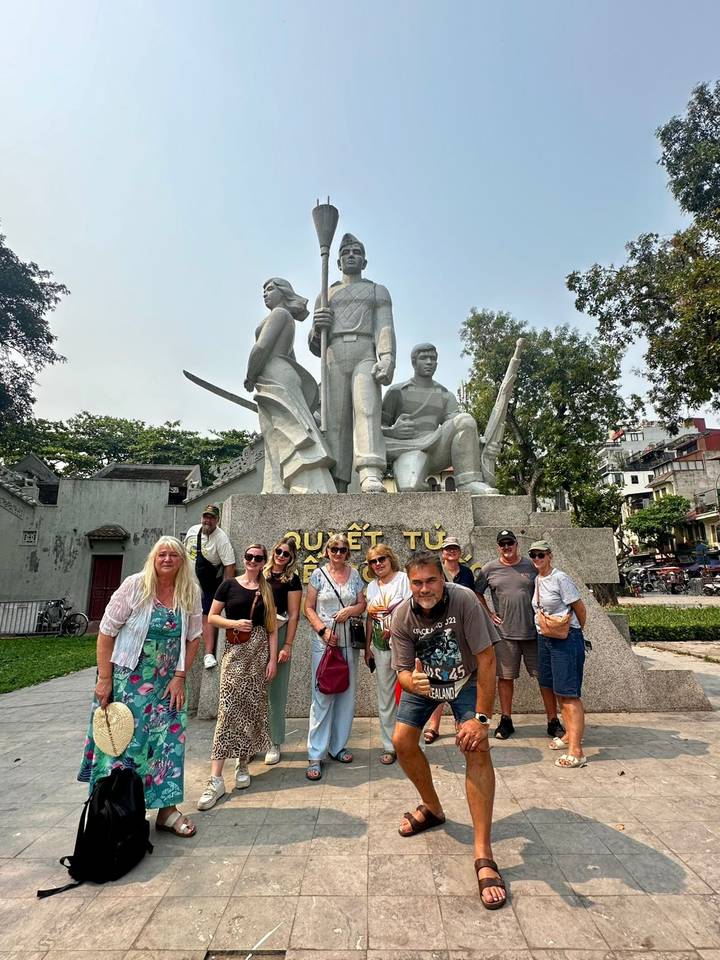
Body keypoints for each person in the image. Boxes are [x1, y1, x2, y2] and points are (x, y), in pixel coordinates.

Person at [390, 550, 506, 909]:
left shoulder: (465, 599)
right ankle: (433, 807)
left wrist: (482, 720)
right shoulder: (401, 616)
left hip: (468, 680)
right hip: (428, 684)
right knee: (401, 741)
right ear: (409, 584)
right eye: (417, 582)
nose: (424, 588)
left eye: (431, 580)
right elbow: (402, 672)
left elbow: (488, 660)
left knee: (476, 747)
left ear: (443, 578)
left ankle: (483, 852)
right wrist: (413, 682)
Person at [78, 536, 202, 838]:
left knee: (168, 744)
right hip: (128, 680)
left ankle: (167, 810)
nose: (168, 559)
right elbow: (106, 633)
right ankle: (118, 807)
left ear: (182, 561)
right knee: (126, 745)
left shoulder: (190, 591)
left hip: (168, 683)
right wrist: (105, 679)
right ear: (153, 558)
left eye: (174, 555)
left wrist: (180, 675)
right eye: (162, 554)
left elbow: (194, 637)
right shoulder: (135, 586)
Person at [309, 233, 396, 493]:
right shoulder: (326, 293)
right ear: (337, 262)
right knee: (335, 420)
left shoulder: (376, 290)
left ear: (364, 261)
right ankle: (337, 478)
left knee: (367, 410)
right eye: (346, 252)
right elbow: (315, 345)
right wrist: (317, 326)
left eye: (356, 252)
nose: (351, 255)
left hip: (364, 352)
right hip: (334, 355)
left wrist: (387, 357)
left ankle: (370, 471)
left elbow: (385, 327)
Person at [197, 543, 278, 809]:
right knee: (228, 710)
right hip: (235, 653)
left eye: (258, 558)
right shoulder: (229, 585)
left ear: (264, 561)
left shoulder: (266, 590)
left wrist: (272, 660)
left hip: (258, 655)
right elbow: (212, 617)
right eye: (249, 556)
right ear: (243, 559)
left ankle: (242, 763)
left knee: (251, 710)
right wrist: (234, 623)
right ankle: (215, 778)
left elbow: (271, 629)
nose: (253, 561)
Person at [245, 278, 336, 494]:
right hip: (280, 373)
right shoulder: (286, 318)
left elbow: (261, 347)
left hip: (273, 373)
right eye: (263, 290)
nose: (265, 294)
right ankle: (275, 485)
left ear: (283, 292)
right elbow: (291, 358)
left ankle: (302, 481)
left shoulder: (279, 314)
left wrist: (250, 375)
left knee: (287, 428)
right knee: (275, 431)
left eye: (270, 289)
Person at [475, 529, 564, 741]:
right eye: (502, 543)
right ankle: (506, 720)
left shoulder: (530, 565)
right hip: (505, 635)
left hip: (535, 633)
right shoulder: (489, 569)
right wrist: (489, 614)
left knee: (544, 679)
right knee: (505, 678)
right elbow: (477, 591)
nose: (507, 547)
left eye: (510, 543)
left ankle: (553, 720)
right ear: (498, 546)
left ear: (516, 544)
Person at [382, 344, 497, 494]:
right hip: (406, 448)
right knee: (410, 487)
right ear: (413, 362)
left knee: (465, 420)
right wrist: (393, 431)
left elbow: (461, 429)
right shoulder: (396, 392)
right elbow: (373, 429)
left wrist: (483, 443)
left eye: (433, 358)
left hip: (436, 448)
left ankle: (468, 481)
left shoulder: (445, 395)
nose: (429, 362)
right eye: (424, 358)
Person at [304, 534, 366, 780]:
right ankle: (315, 753)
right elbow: (308, 607)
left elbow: (362, 603)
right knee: (322, 696)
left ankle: (337, 746)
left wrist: (351, 610)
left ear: (347, 552)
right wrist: (323, 630)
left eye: (342, 549)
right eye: (334, 549)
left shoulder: (355, 575)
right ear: (327, 551)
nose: (338, 553)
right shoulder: (318, 575)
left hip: (349, 641)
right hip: (325, 643)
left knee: (346, 695)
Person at [529, 540, 588, 769]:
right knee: (555, 688)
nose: (536, 559)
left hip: (565, 639)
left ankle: (577, 750)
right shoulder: (538, 579)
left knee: (568, 693)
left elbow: (580, 608)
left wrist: (575, 632)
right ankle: (568, 736)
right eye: (533, 555)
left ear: (550, 555)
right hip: (545, 638)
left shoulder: (560, 578)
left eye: (541, 555)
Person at [422, 536, 476, 744]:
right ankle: (433, 725)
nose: (451, 552)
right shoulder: (436, 573)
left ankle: (460, 721)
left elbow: (474, 598)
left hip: (463, 630)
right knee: (439, 678)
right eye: (447, 549)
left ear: (459, 552)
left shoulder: (467, 573)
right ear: (442, 552)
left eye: (454, 548)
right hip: (439, 630)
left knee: (462, 677)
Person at [364, 544, 411, 764]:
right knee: (386, 699)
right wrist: (367, 647)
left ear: (390, 559)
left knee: (411, 695)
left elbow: (414, 609)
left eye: (381, 559)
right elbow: (370, 618)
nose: (378, 564)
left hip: (405, 646)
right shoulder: (371, 587)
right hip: (380, 647)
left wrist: (396, 628)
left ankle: (411, 742)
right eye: (373, 561)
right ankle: (389, 744)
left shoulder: (404, 579)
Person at [262, 537, 303, 764]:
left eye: (286, 554)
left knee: (276, 693)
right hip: (256, 637)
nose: (281, 556)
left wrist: (288, 644)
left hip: (279, 634)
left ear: (291, 558)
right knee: (253, 691)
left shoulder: (292, 580)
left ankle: (274, 741)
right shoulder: (261, 573)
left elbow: (295, 615)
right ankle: (251, 742)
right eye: (278, 551)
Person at [184, 505, 236, 669]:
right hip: (188, 582)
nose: (208, 520)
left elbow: (229, 566)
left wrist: (227, 591)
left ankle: (208, 653)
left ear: (217, 520)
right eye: (205, 517)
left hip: (208, 584)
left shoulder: (221, 539)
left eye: (212, 518)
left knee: (207, 616)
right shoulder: (193, 531)